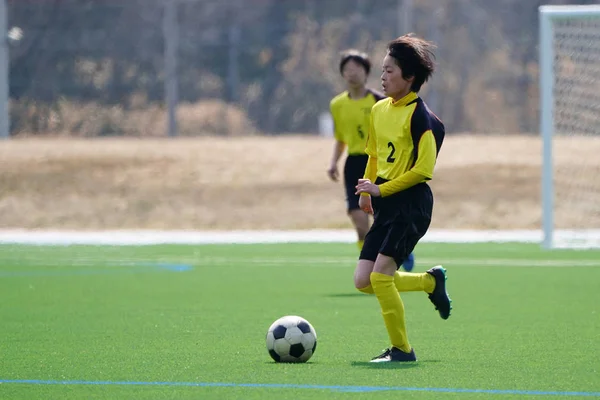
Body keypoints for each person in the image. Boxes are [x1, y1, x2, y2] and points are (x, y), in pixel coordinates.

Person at [353, 34, 452, 363]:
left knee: (381, 276)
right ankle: (429, 282)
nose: (382, 76)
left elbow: (423, 171)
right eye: (382, 70)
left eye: (390, 71)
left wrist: (381, 189)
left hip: (412, 205)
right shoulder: (379, 109)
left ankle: (402, 350)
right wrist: (368, 190)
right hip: (385, 203)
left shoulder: (424, 120)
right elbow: (374, 154)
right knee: (364, 282)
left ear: (410, 78)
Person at [328, 49, 415, 271]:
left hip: (378, 162)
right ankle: (371, 266)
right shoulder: (337, 104)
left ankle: (399, 248)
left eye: (356, 69)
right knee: (359, 222)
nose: (351, 74)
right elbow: (341, 138)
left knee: (383, 218)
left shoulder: (380, 101)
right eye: (347, 69)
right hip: (353, 164)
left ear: (366, 72)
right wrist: (333, 163)